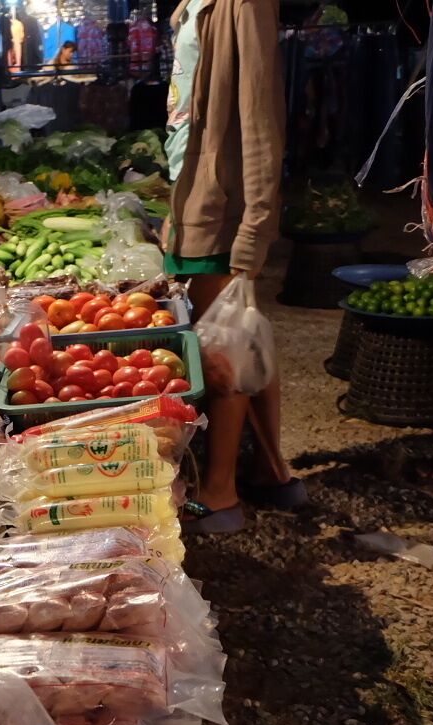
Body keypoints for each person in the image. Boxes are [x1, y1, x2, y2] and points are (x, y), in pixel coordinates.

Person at [165, 0, 302, 533]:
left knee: (221, 354)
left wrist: (255, 228)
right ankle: (273, 470)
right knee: (242, 336)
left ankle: (220, 493)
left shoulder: (243, 5)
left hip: (219, 206)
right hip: (193, 198)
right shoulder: (192, 6)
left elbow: (263, 122)